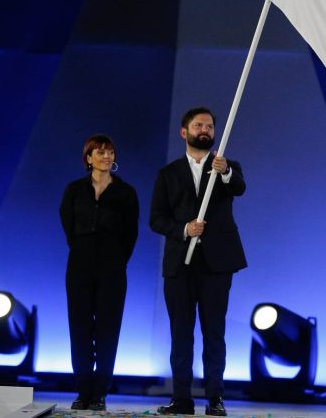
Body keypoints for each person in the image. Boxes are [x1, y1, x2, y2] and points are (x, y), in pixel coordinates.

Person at [150, 107, 246, 416]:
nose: (204, 129)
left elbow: (239, 188)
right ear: (184, 132)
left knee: (214, 333)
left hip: (216, 265)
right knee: (180, 333)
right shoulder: (168, 174)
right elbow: (156, 219)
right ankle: (181, 399)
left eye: (209, 126)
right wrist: (184, 229)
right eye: (198, 125)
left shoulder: (226, 167)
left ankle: (215, 398)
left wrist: (226, 171)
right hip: (180, 264)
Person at [60, 134, 139, 411]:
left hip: (113, 267)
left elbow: (131, 233)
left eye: (110, 152)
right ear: (88, 158)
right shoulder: (74, 190)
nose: (106, 156)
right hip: (79, 263)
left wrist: (116, 259)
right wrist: (85, 249)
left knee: (107, 330)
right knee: (79, 328)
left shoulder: (126, 192)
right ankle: (83, 390)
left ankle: (99, 393)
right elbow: (68, 227)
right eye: (100, 152)